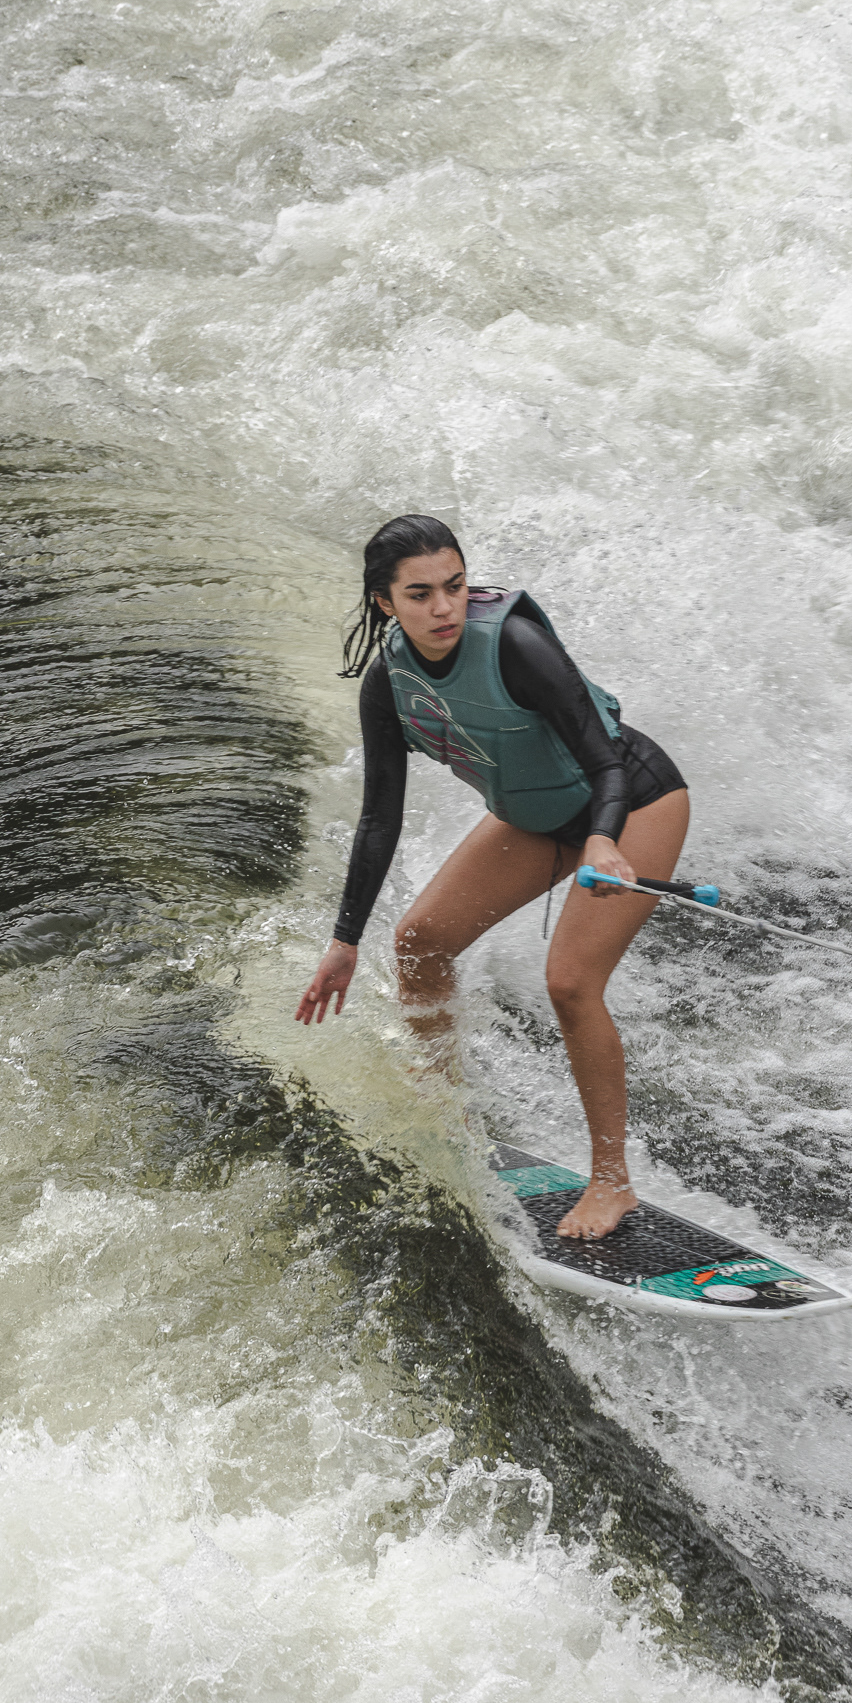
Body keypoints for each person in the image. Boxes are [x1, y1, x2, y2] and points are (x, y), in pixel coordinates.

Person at [296, 515, 690, 1240]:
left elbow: (605, 762)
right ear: (385, 602)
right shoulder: (388, 682)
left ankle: (612, 1182)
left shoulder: (515, 644)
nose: (443, 607)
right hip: (538, 818)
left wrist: (602, 841)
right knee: (418, 942)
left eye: (454, 586)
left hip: (633, 804)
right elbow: (379, 816)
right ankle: (449, 1123)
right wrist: (343, 941)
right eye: (420, 594)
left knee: (569, 981)